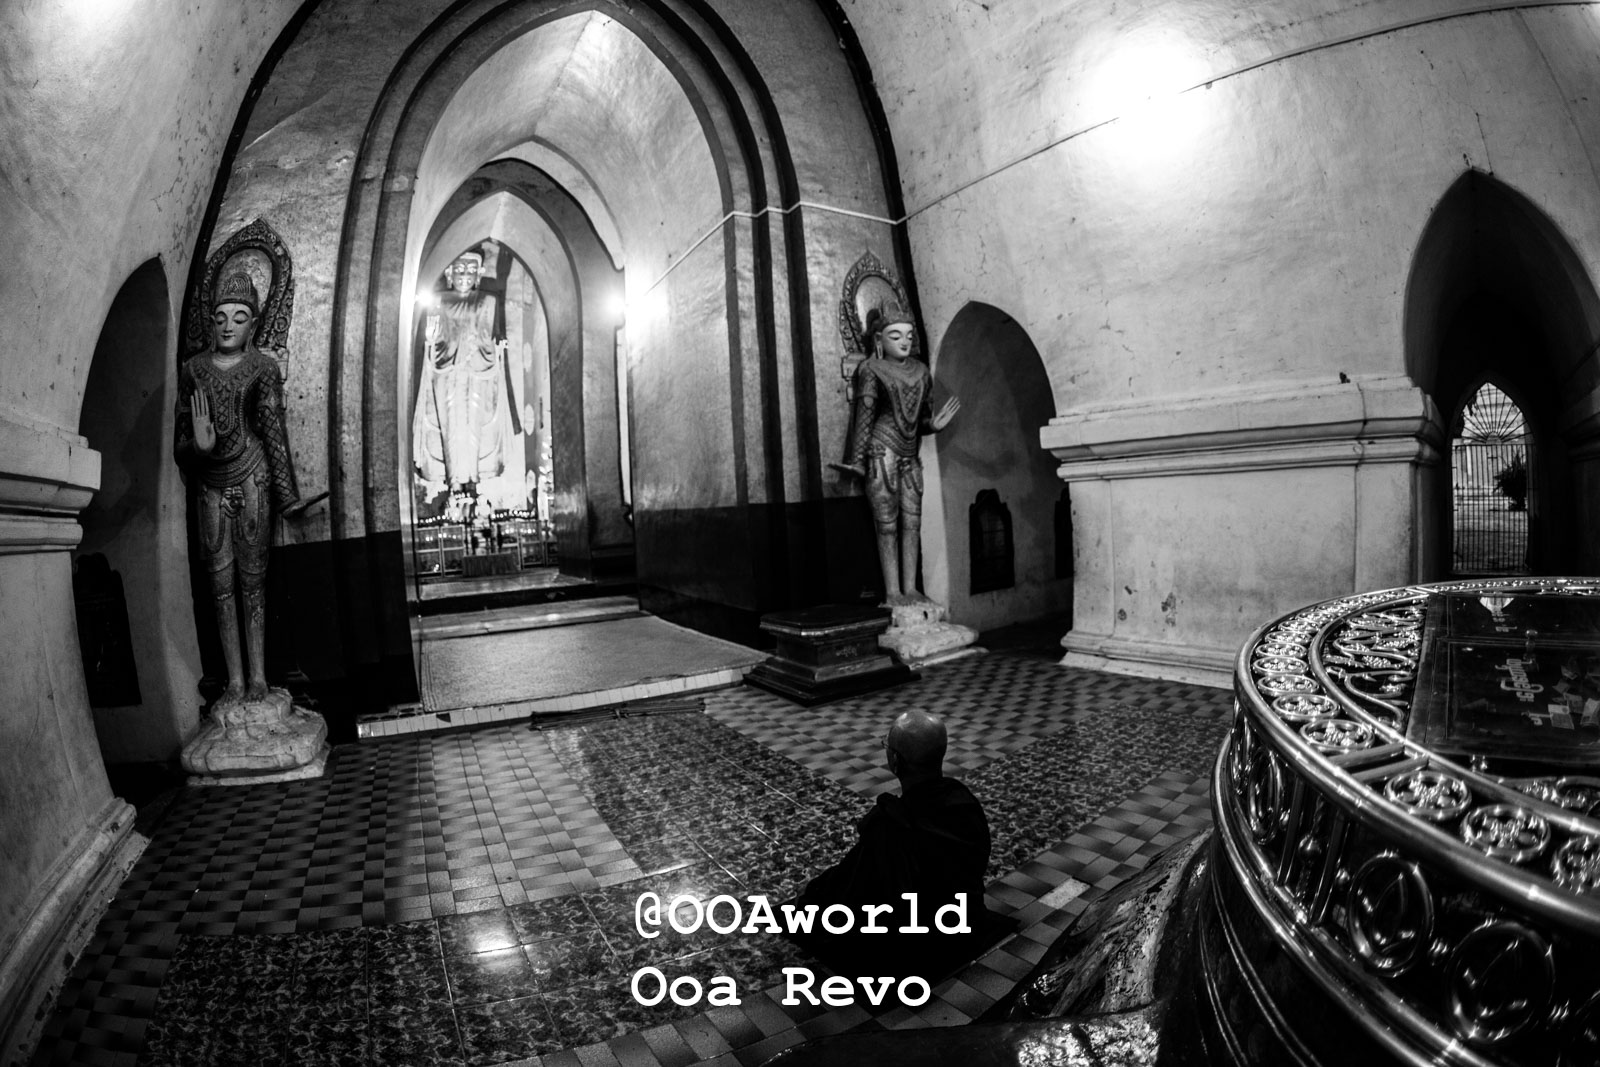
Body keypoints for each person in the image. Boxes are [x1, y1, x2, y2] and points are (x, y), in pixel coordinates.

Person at [790, 709, 999, 979]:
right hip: (964, 921)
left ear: (896, 762)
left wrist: (810, 899)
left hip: (917, 943)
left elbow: (855, 888)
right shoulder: (963, 801)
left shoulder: (891, 825)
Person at [175, 271, 304, 705]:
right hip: (209, 484)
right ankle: (233, 679)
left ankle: (259, 677)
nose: (228, 325)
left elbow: (271, 430)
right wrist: (199, 445)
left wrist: (286, 495)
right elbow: (180, 448)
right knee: (220, 585)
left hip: (253, 474)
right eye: (220, 317)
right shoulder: (193, 371)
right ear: (210, 323)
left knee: (253, 581)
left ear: (253, 324)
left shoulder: (262, 368)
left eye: (240, 317)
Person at [832, 305, 960, 604]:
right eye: (894, 335)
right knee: (887, 523)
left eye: (908, 335)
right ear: (879, 339)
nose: (904, 341)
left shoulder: (921, 372)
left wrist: (934, 425)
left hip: (909, 452)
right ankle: (892, 592)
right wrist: (857, 460)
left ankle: (911, 588)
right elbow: (864, 417)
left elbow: (921, 419)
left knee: (912, 521)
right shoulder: (871, 369)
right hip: (882, 449)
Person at [412, 251, 522, 491]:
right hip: (446, 372)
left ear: (478, 275)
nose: (464, 276)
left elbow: (489, 337)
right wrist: (430, 341)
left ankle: (473, 479)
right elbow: (433, 338)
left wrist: (497, 346)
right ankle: (453, 481)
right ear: (450, 274)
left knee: (474, 426)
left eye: (470, 271)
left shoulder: (487, 301)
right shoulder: (441, 301)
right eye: (459, 271)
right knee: (450, 427)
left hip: (477, 371)